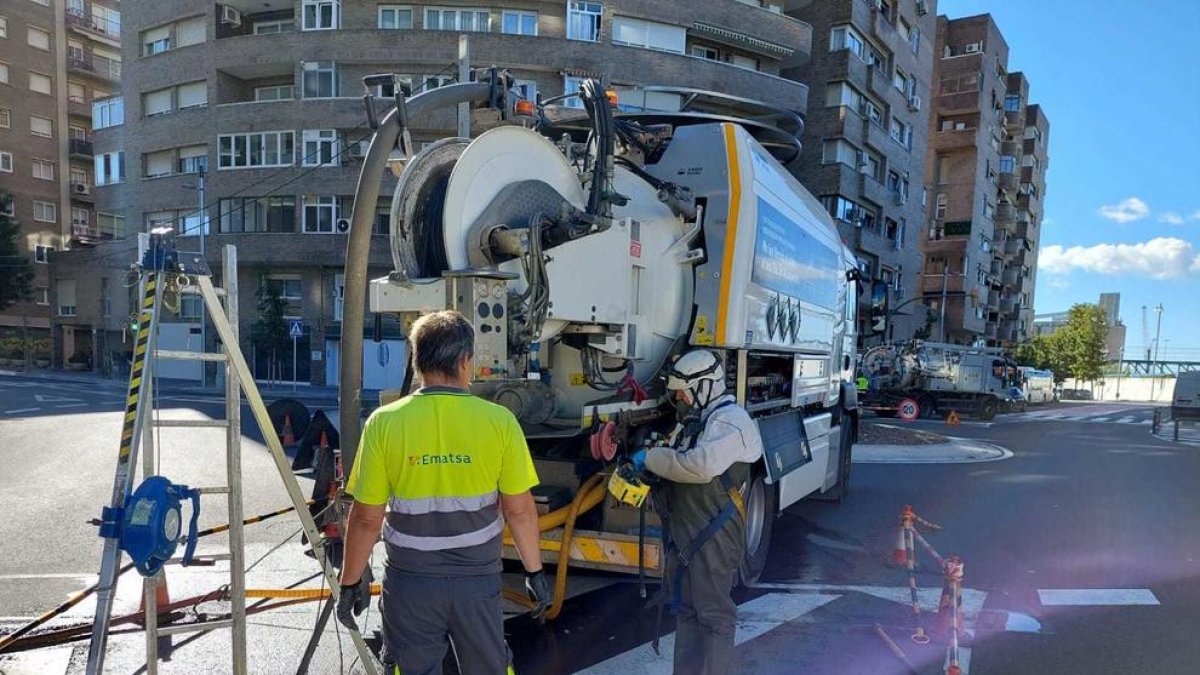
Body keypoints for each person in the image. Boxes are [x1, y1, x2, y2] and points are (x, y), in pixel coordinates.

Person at [336, 310, 552, 675]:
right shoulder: (499, 421)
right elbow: (519, 511)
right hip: (477, 583)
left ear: (417, 362)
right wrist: (535, 572)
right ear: (466, 361)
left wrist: (350, 580)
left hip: (410, 584)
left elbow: (365, 518)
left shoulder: (385, 422)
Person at [632, 348, 764, 675]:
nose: (679, 401)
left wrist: (651, 459)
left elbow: (700, 467)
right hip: (687, 536)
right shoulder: (696, 421)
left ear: (703, 387)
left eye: (682, 394)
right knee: (687, 612)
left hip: (715, 537)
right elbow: (674, 459)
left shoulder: (732, 422)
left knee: (715, 616)